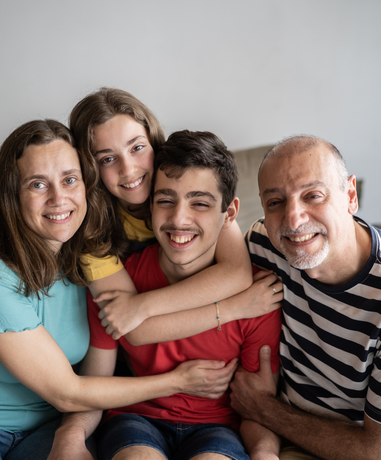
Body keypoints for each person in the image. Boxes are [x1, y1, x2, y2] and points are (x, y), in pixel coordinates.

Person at [0, 120, 238, 460]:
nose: (59, 198)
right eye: (38, 184)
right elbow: (67, 392)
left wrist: (71, 432)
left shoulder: (87, 262)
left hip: (48, 425)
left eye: (70, 180)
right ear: (11, 195)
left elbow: (221, 232)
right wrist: (177, 381)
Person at [51, 130, 283, 460]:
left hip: (218, 429)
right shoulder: (119, 282)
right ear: (149, 205)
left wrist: (264, 453)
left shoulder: (259, 297)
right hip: (136, 420)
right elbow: (94, 384)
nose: (178, 219)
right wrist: (71, 436)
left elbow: (258, 408)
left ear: (229, 212)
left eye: (200, 203)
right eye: (165, 200)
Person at [229, 135, 381, 460]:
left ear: (350, 196)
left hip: (352, 443)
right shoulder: (264, 244)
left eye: (313, 196)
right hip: (271, 429)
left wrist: (263, 409)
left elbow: (378, 452)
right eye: (275, 202)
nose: (293, 219)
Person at [69, 87, 280, 340]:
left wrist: (142, 305)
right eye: (107, 159)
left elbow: (236, 273)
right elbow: (132, 330)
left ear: (153, 142)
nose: (128, 169)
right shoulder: (94, 232)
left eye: (136, 148)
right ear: (90, 168)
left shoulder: (190, 183)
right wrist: (234, 308)